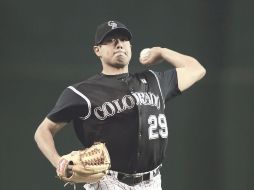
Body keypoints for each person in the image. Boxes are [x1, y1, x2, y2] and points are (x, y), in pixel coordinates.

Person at [34, 20, 206, 190]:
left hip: (153, 182)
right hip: (109, 182)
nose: (118, 44)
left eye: (123, 40)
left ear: (131, 47)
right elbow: (43, 131)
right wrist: (59, 162)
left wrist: (161, 52)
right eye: (110, 40)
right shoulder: (81, 92)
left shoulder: (154, 81)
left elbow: (196, 69)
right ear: (97, 50)